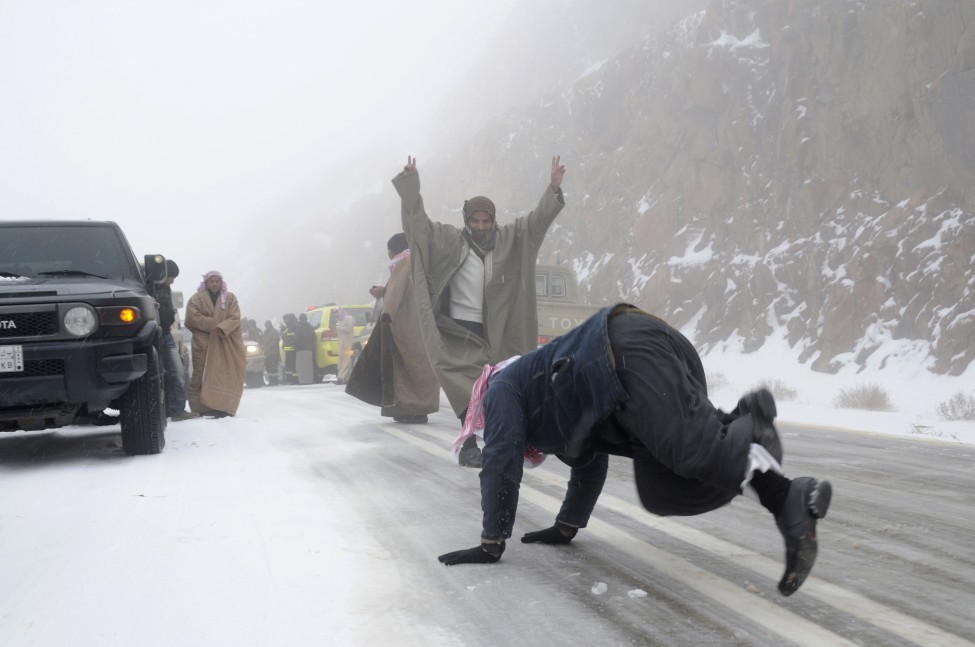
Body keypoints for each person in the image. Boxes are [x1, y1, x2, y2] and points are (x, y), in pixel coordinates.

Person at [436, 304, 833, 598]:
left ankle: (753, 421)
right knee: (665, 488)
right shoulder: (550, 407)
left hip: (620, 347)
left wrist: (491, 542)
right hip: (629, 373)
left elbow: (500, 461)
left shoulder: (501, 389)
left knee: (693, 449)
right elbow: (588, 462)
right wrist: (566, 526)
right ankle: (786, 499)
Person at [393, 155, 567, 466]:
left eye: (486, 222)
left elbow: (536, 222)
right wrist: (410, 185)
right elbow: (417, 224)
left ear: (493, 221)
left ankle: (522, 438)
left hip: (500, 330)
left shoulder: (511, 238)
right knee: (463, 384)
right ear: (467, 220)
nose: (481, 227)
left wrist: (553, 188)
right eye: (475, 221)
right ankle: (469, 444)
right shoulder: (448, 240)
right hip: (459, 330)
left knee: (511, 384)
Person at [346, 233, 439, 423]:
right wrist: (384, 291)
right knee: (422, 369)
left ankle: (411, 410)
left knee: (404, 371)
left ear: (393, 251)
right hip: (425, 327)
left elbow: (396, 295)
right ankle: (418, 408)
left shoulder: (403, 263)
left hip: (405, 326)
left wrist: (386, 315)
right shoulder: (422, 263)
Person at [185, 271, 247, 418]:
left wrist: (221, 327)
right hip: (203, 343)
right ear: (205, 283)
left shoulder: (230, 298)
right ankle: (200, 407)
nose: (214, 284)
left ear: (221, 283)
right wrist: (212, 325)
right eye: (211, 281)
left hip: (224, 341)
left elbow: (235, 318)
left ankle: (222, 406)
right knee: (201, 373)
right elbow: (191, 319)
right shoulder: (196, 299)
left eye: (217, 281)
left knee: (224, 373)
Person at [149, 259, 197, 421]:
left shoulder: (163, 288)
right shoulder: (150, 287)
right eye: (171, 276)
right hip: (158, 334)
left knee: (172, 372)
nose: (172, 280)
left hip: (164, 333)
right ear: (164, 274)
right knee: (175, 372)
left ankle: (174, 409)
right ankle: (175, 410)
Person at [334, 308, 356, 385]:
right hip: (342, 344)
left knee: (345, 360)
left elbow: (349, 329)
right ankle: (348, 378)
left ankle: (341, 377)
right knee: (345, 361)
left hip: (347, 344)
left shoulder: (348, 319)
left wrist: (338, 328)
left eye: (337, 314)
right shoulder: (340, 321)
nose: (337, 317)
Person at [296, 312, 317, 384]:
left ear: (299, 319)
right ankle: (309, 380)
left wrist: (295, 346)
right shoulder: (310, 326)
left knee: (301, 367)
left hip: (300, 349)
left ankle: (303, 381)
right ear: (306, 319)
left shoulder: (298, 326)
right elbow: (314, 337)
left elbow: (297, 338)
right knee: (308, 366)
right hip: (309, 349)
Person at [280, 313, 298, 385]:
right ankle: (290, 379)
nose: (284, 321)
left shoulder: (292, 326)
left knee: (292, 365)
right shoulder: (290, 326)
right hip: (288, 349)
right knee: (289, 365)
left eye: (285, 319)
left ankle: (294, 380)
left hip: (291, 349)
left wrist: (283, 330)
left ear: (289, 319)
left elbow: (285, 335)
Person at [262, 320, 281, 386]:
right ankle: (271, 381)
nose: (267, 326)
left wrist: (269, 346)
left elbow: (276, 340)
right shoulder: (265, 332)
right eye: (266, 325)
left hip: (273, 353)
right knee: (268, 368)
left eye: (268, 325)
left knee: (273, 368)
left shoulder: (274, 331)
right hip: (267, 353)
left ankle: (275, 381)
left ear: (270, 324)